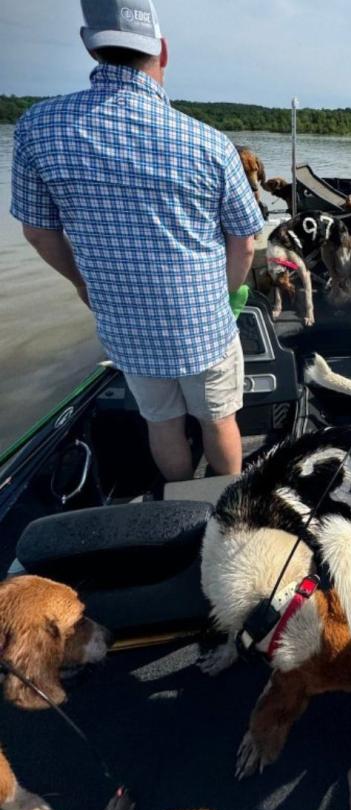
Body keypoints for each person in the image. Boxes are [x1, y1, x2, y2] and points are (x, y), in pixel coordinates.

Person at [10, 0, 264, 482]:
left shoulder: (37, 128)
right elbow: (246, 243)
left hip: (126, 326)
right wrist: (223, 296)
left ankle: (176, 501)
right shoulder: (208, 142)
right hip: (204, 326)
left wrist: (83, 283)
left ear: (91, 47)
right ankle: (223, 504)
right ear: (162, 51)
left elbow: (39, 233)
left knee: (162, 423)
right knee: (218, 420)